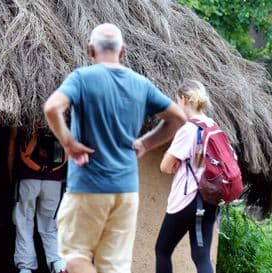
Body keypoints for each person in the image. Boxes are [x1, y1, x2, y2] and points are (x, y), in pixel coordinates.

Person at [43, 23, 186, 273]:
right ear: (123, 51)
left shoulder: (82, 79)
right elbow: (178, 117)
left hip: (88, 187)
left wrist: (68, 143)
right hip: (126, 191)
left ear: (91, 50)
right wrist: (146, 143)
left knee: (74, 257)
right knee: (114, 267)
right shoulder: (141, 84)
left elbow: (52, 108)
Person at [155, 80, 217, 273]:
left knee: (162, 250)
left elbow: (165, 166)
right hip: (210, 198)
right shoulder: (213, 126)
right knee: (201, 256)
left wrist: (174, 162)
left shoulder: (189, 129)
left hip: (187, 199)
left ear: (183, 99)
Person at [10, 128, 68, 273]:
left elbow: (18, 150)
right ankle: (57, 263)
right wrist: (51, 170)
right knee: (50, 224)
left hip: (28, 178)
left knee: (24, 222)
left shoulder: (27, 118)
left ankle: (25, 267)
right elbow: (68, 152)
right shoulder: (61, 120)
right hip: (53, 181)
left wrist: (12, 173)